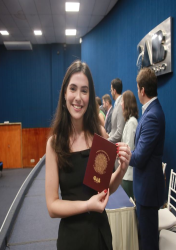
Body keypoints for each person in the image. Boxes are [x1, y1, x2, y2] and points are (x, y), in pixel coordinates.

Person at [45, 60, 131, 250]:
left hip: (100, 233)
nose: (78, 97)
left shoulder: (99, 135)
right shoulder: (54, 144)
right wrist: (87, 205)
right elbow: (52, 206)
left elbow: (105, 187)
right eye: (73, 89)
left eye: (84, 91)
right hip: (72, 238)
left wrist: (122, 170)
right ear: (64, 94)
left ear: (90, 96)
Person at [129, 68, 165, 250]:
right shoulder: (151, 111)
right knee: (145, 237)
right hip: (146, 188)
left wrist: (124, 154)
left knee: (149, 242)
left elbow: (140, 157)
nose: (137, 91)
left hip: (148, 191)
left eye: (137, 88)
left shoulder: (152, 116)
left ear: (142, 90)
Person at [120, 90, 138, 199]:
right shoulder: (129, 121)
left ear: (126, 103)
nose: (121, 104)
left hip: (129, 175)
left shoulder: (131, 122)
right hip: (127, 173)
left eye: (122, 101)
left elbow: (129, 149)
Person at [108, 78, 125, 143]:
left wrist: (107, 140)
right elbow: (114, 130)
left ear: (114, 91)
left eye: (111, 90)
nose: (111, 92)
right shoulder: (116, 104)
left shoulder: (120, 104)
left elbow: (119, 132)